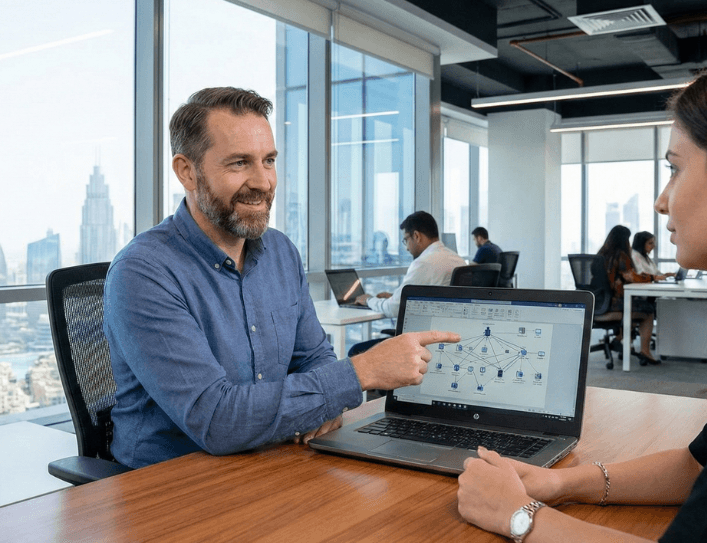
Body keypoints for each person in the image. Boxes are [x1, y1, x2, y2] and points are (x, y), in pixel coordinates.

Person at [457, 44, 707, 542]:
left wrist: (519, 516)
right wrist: (560, 483)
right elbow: (699, 465)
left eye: (675, 168)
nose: (660, 201)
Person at [104, 87, 459, 468]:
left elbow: (314, 356)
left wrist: (326, 403)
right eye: (239, 163)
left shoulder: (281, 252)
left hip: (270, 458)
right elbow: (216, 419)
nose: (263, 182)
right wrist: (362, 372)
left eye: (269, 161)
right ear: (187, 172)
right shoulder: (143, 272)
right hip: (171, 481)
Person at [354, 211, 466, 318]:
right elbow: (437, 297)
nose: (407, 248)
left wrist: (369, 300)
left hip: (428, 328)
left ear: (416, 236)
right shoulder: (457, 259)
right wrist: (396, 297)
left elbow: (393, 309)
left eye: (406, 240)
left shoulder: (423, 263)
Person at [596, 225, 660, 366]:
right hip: (613, 306)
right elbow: (631, 277)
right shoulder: (621, 256)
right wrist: (652, 278)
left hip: (597, 304)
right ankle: (645, 351)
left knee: (634, 304)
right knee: (648, 310)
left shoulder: (600, 255)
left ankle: (620, 339)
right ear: (623, 239)